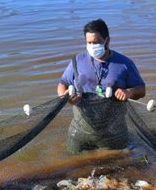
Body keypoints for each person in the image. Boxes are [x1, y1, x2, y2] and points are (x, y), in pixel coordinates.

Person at [57, 19, 146, 153]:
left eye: (96, 42)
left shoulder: (124, 64)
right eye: (89, 42)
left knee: (117, 166)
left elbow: (141, 89)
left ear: (107, 40)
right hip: (79, 131)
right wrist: (64, 96)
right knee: (74, 166)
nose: (92, 46)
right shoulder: (77, 61)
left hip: (114, 133)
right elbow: (62, 84)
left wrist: (129, 92)